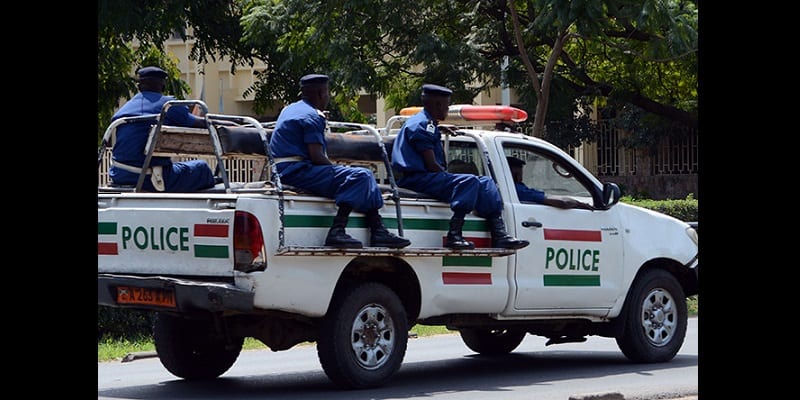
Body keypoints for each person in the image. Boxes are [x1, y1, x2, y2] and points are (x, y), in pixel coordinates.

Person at [269, 74, 410, 249]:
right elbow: (317, 157)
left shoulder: (290, 109)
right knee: (361, 176)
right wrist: (337, 170)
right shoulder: (312, 117)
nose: (328, 97)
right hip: (296, 171)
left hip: (283, 169)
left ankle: (378, 230)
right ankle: (339, 230)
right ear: (321, 93)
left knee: (362, 178)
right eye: (327, 93)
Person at [391, 84, 529, 250]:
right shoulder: (423, 126)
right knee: (468, 182)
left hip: (423, 177)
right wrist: (449, 178)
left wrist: (439, 128)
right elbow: (432, 164)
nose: (447, 110)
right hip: (416, 179)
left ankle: (499, 233)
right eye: (447, 106)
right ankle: (454, 234)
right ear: (437, 105)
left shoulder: (424, 122)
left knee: (485, 182)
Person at [109, 66, 217, 192]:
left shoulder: (124, 109)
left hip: (120, 176)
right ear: (163, 85)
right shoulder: (169, 106)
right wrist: (231, 123)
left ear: (139, 86)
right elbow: (201, 124)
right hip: (152, 178)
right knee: (201, 167)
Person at [506, 156, 594, 210]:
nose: (521, 177)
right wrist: (579, 204)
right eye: (520, 173)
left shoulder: (505, 189)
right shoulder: (518, 190)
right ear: (516, 175)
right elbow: (563, 202)